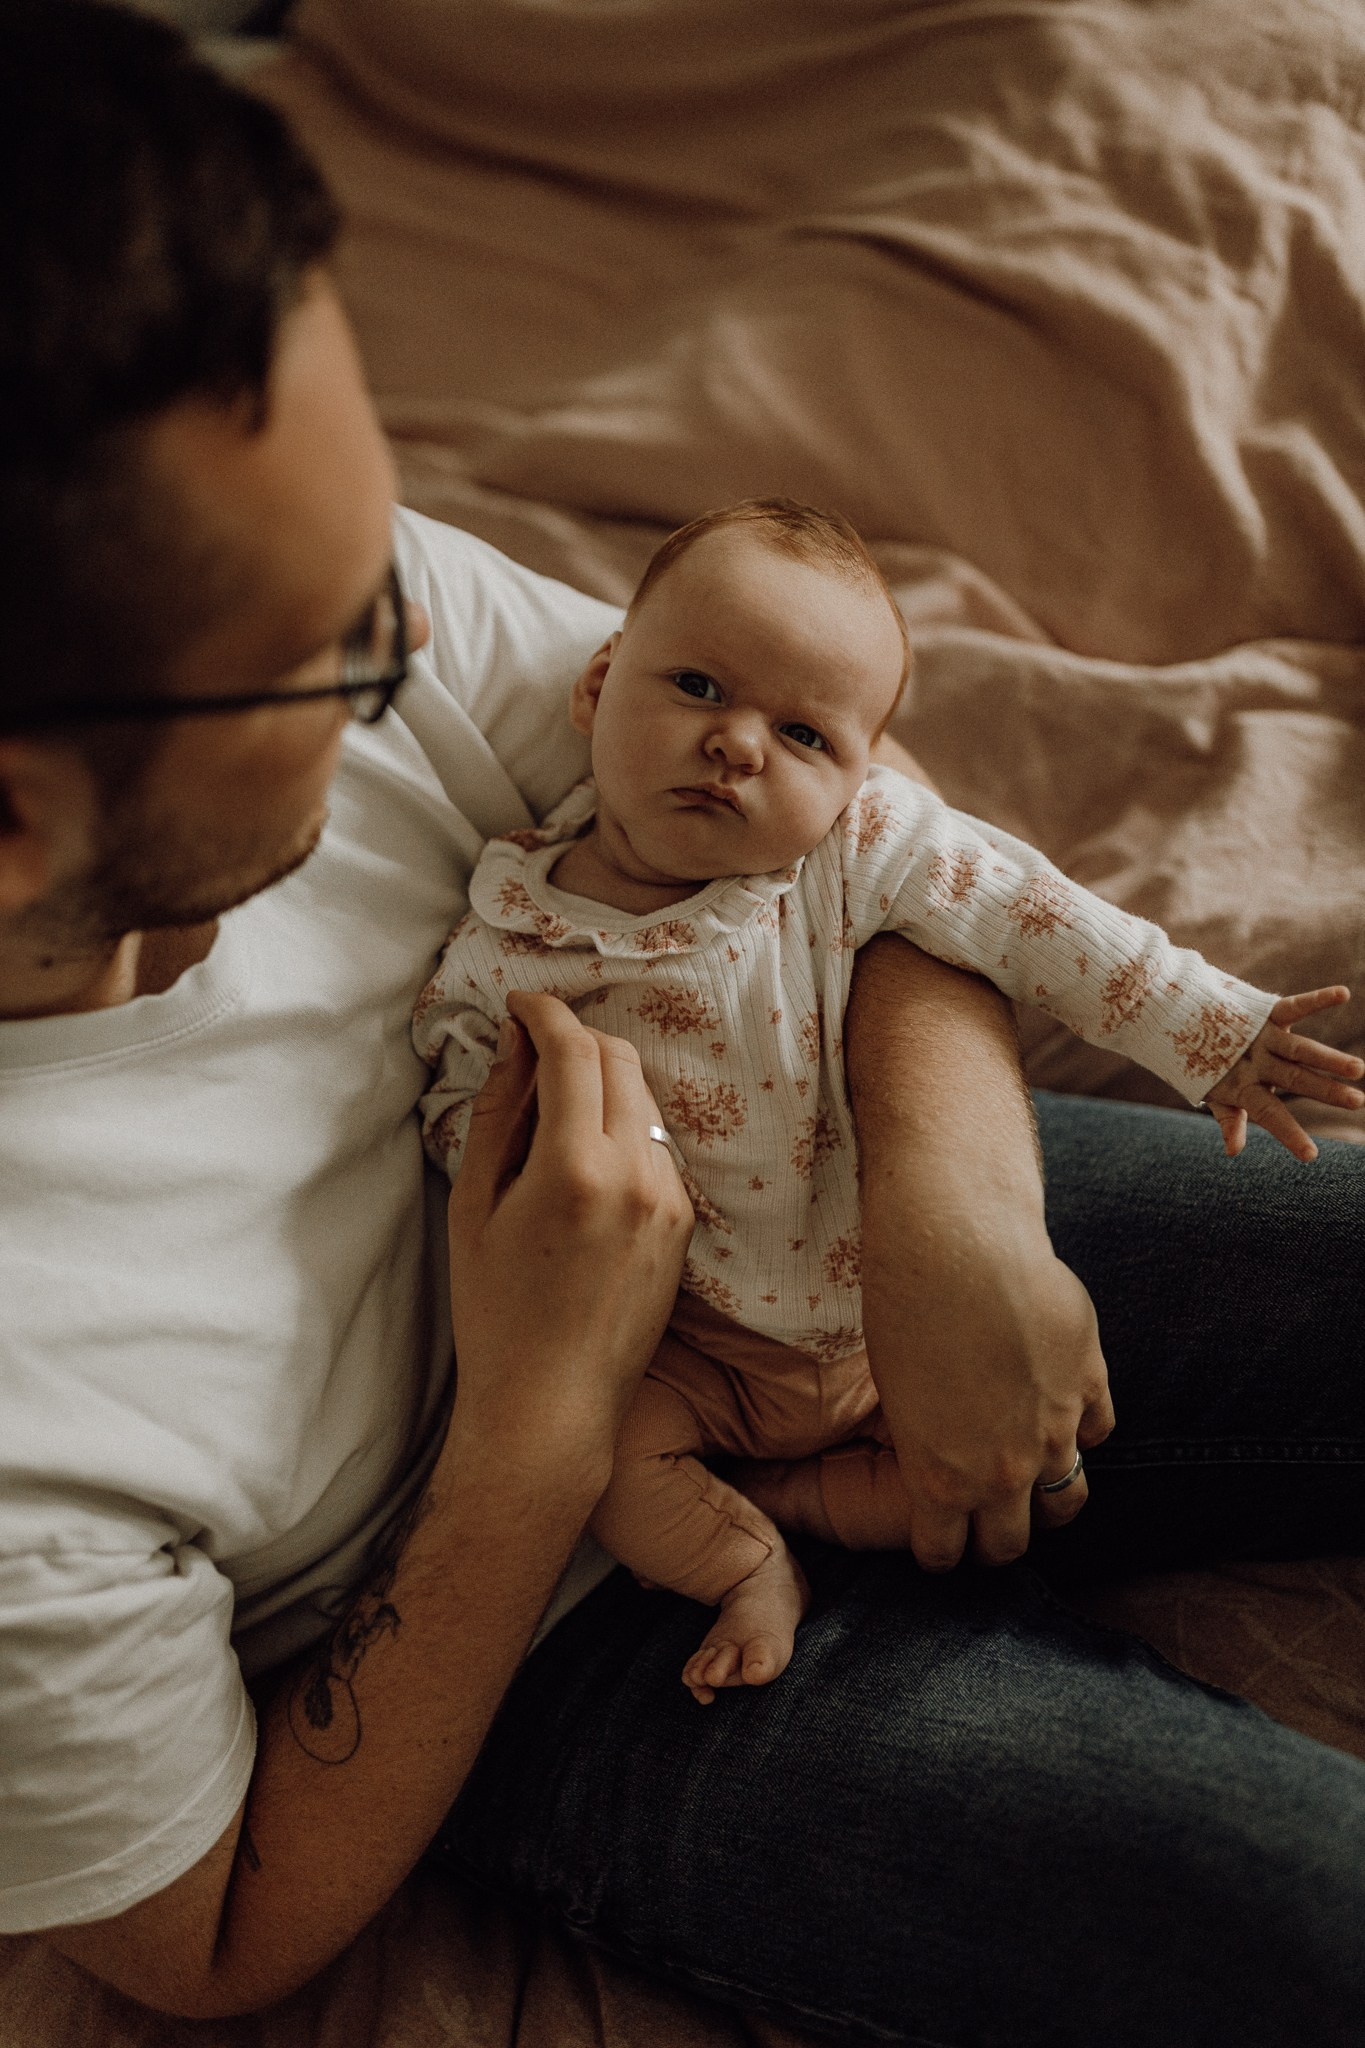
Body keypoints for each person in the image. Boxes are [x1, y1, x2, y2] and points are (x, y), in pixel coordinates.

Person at [1, 7, 1363, 2044]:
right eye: (336, 648)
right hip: (543, 1637)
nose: (404, 650)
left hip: (811, 1197)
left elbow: (853, 824)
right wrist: (542, 1427)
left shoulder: (265, 527)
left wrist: (952, 1207)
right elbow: (215, 1933)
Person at [414, 496, 1362, 1701]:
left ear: (859, 777)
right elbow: (459, 1095)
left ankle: (813, 1501)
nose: (738, 744)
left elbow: (1035, 916)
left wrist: (1212, 1031)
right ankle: (752, 1556)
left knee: (971, 1477)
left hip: (888, 1319)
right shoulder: (510, 934)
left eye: (803, 734)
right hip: (688, 1353)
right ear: (597, 687)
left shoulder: (851, 854)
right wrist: (522, 1155)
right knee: (609, 1462)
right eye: (698, 687)